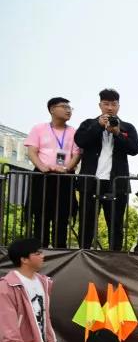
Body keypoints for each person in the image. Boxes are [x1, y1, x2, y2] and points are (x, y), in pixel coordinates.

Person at [74, 88, 138, 250]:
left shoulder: (127, 127)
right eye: (106, 104)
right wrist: (98, 126)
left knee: (115, 224)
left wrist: (118, 133)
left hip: (116, 184)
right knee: (86, 223)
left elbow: (135, 149)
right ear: (100, 105)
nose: (110, 108)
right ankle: (83, 253)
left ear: (118, 106)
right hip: (91, 182)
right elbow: (80, 141)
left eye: (113, 104)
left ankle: (115, 257)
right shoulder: (89, 123)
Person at [25, 97, 80, 248]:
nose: (68, 110)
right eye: (64, 107)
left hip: (65, 178)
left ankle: (59, 248)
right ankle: (39, 248)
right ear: (52, 109)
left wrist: (67, 169)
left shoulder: (74, 132)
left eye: (70, 108)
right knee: (40, 213)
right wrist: (42, 167)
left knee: (62, 214)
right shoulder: (38, 128)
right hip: (42, 176)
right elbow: (32, 151)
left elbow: (77, 154)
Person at [0, 238, 56, 342]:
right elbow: (7, 321)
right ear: (24, 259)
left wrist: (50, 339)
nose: (42, 256)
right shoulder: (7, 285)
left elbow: (44, 314)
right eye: (37, 253)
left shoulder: (43, 282)